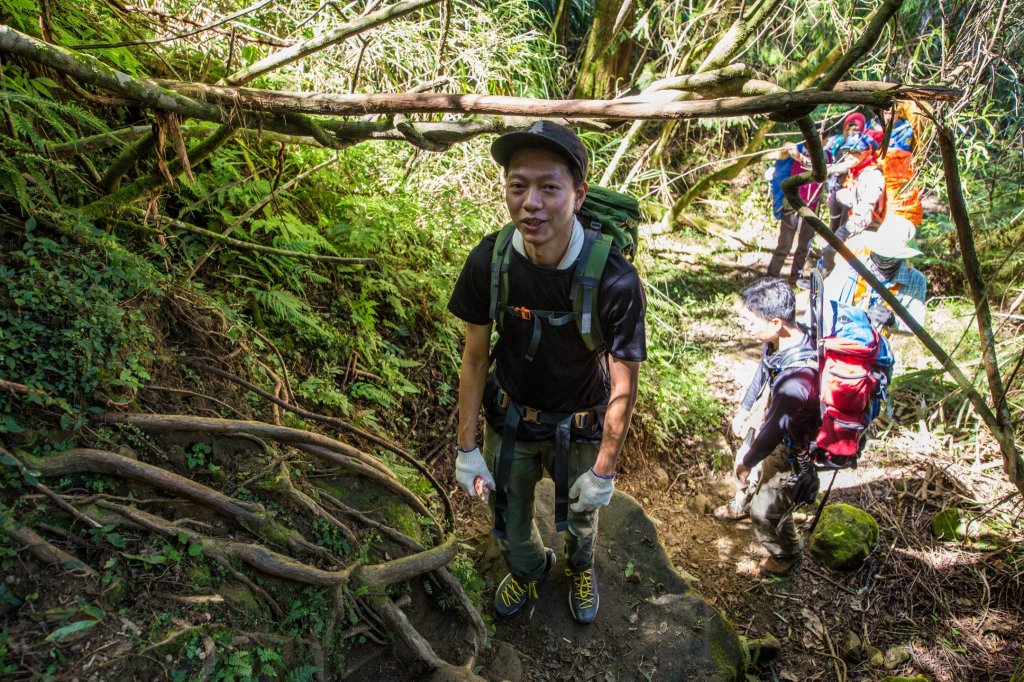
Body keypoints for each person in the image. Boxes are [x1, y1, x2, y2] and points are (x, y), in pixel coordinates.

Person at [447, 120, 647, 624]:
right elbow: (474, 357)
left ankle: (580, 568)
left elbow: (624, 383)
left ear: (578, 195)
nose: (530, 203)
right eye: (518, 185)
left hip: (580, 425)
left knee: (581, 518)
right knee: (508, 523)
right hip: (511, 419)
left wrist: (604, 469)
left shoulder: (614, 280)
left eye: (549, 187)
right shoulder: (490, 261)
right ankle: (531, 568)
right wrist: (466, 447)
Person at [718, 278, 821, 577]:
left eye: (751, 321)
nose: (746, 327)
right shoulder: (781, 340)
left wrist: (748, 462)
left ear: (776, 322)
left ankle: (787, 551)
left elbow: (776, 430)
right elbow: (763, 371)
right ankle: (740, 503)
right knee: (745, 464)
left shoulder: (798, 381)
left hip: (794, 450)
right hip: (772, 426)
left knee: (766, 510)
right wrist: (745, 408)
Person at [821, 214, 927, 335]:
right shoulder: (854, 259)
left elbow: (917, 327)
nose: (884, 259)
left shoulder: (915, 280)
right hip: (835, 336)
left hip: (873, 347)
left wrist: (893, 321)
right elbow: (825, 300)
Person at [818, 131, 885, 274]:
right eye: (846, 150)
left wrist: (843, 232)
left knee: (832, 252)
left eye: (854, 151)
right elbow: (841, 166)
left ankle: (826, 278)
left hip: (867, 229)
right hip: (855, 219)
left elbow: (865, 212)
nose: (848, 154)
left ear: (867, 152)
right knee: (838, 195)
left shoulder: (873, 176)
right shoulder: (858, 167)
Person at [765, 142, 825, 285]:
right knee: (784, 244)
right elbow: (786, 148)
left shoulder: (825, 155)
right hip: (793, 203)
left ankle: (795, 277)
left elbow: (826, 170)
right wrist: (798, 156)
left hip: (812, 204)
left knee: (804, 243)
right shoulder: (797, 148)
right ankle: (771, 276)